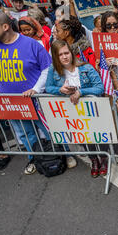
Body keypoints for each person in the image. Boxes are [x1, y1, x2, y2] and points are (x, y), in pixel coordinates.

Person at [0, 11, 52, 175]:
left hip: (34, 100)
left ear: (5, 26)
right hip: (10, 102)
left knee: (49, 130)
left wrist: (36, 89)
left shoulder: (32, 44)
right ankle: (34, 159)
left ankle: (60, 155)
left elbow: (47, 69)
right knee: (26, 135)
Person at [45, 40, 105, 173]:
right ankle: (94, 160)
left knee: (97, 136)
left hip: (91, 110)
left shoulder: (86, 67)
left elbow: (100, 87)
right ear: (55, 57)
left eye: (66, 53)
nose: (64, 57)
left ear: (71, 53)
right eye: (60, 55)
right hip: (72, 112)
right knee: (83, 137)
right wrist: (60, 90)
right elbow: (48, 87)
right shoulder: (53, 70)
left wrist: (80, 92)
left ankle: (103, 158)